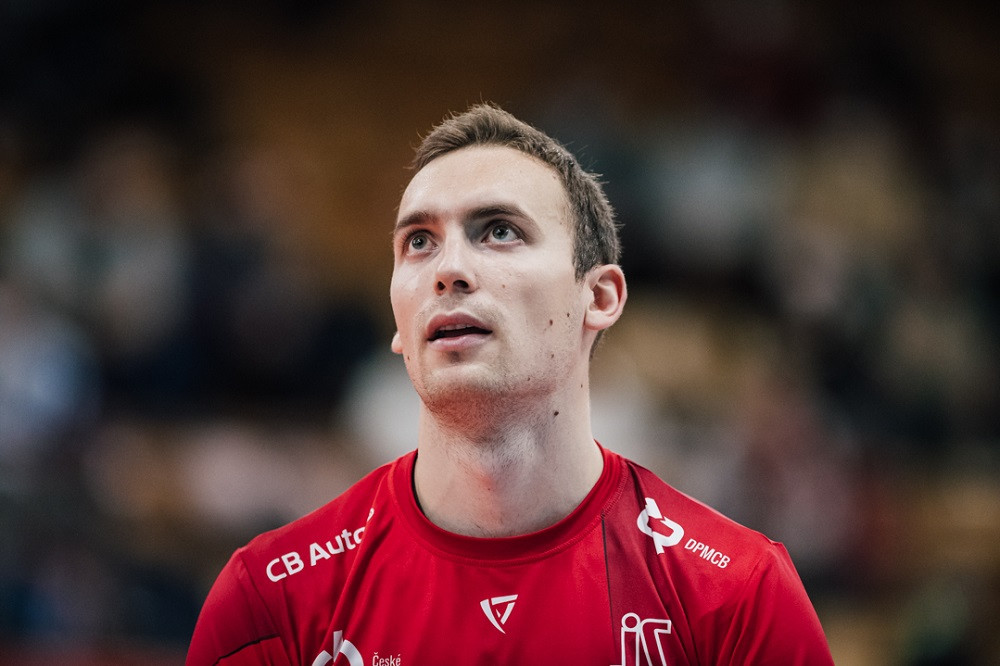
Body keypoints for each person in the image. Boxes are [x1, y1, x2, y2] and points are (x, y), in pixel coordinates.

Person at [186, 103, 834, 665]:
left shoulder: (740, 593)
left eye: (499, 231)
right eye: (419, 242)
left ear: (599, 297)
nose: (448, 269)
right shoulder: (270, 598)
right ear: (398, 322)